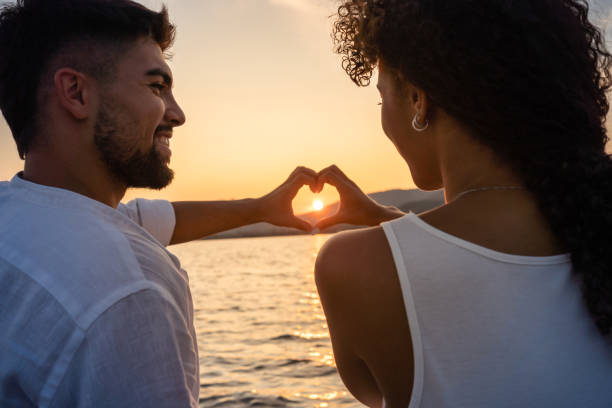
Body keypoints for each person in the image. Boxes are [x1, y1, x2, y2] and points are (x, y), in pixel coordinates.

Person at [0, 1, 320, 406]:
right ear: (76, 93)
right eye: (156, 86)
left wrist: (261, 208)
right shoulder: (128, 291)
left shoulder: (19, 215)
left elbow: (150, 221)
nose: (178, 113)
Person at [314, 1, 612, 407]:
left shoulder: (351, 266)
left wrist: (394, 237)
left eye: (381, 97)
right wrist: (389, 222)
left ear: (418, 99)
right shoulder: (594, 223)